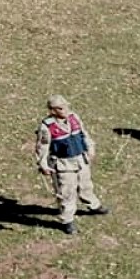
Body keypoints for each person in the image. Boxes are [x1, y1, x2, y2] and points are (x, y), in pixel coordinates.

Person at [35, 95, 109, 235]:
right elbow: (42, 147)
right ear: (53, 111)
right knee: (66, 193)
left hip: (81, 159)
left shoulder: (74, 117)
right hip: (63, 165)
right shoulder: (47, 126)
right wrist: (43, 164)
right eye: (62, 108)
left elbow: (83, 134)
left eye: (66, 106)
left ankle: (93, 205)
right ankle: (67, 220)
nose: (66, 110)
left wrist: (90, 147)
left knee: (86, 185)